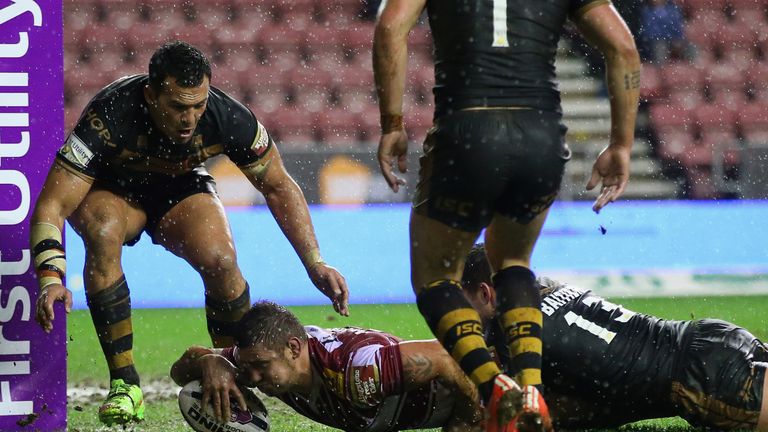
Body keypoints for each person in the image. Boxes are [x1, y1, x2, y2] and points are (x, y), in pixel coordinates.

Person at [30, 41, 349, 426]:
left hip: (179, 190)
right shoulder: (109, 115)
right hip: (112, 191)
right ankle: (125, 383)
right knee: (102, 231)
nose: (190, 118)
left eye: (198, 105)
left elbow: (279, 186)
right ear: (151, 94)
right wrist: (51, 276)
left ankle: (234, 375)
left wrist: (315, 262)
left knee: (222, 259)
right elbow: (52, 205)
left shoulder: (228, 117)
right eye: (179, 106)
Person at [373, 0, 641, 430]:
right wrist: (622, 144)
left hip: (468, 130)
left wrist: (392, 124)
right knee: (514, 264)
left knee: (436, 276)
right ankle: (532, 391)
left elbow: (390, 27)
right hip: (542, 135)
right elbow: (624, 48)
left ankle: (493, 386)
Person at [462, 244, 768, 431]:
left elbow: (527, 413)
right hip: (707, 337)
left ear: (485, 293)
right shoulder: (545, 286)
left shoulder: (512, 332)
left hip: (702, 379)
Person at [170, 301, 484, 432]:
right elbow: (180, 372)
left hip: (491, 390)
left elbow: (448, 357)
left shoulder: (357, 371)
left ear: (293, 348)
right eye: (245, 365)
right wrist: (212, 361)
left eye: (261, 366)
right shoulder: (260, 359)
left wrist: (469, 417)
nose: (250, 378)